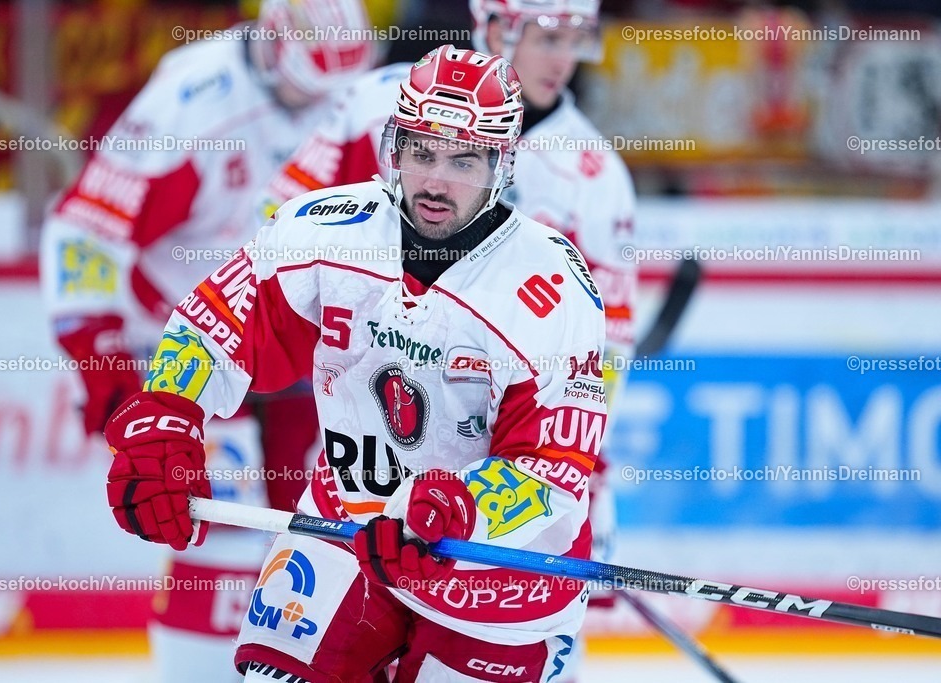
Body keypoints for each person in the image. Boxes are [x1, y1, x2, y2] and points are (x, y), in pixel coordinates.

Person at [104, 45, 609, 682]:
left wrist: (457, 509)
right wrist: (165, 419)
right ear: (392, 148)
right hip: (347, 525)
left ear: (501, 164)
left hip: (496, 576)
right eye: (422, 151)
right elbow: (217, 324)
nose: (435, 181)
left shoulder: (550, 286)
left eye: (464, 159)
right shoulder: (323, 230)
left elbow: (554, 472)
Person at [256, 2, 637, 675]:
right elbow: (280, 223)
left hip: (494, 483)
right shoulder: (379, 101)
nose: (563, 59)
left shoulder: (596, 176)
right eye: (548, 37)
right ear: (494, 28)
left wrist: (579, 476)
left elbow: (602, 350)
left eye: (575, 40)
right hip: (370, 444)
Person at [39, 2, 373, 681]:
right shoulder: (194, 98)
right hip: (181, 340)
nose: (320, 109)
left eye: (334, 95)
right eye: (307, 90)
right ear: (274, 44)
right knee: (210, 520)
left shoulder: (348, 105)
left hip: (284, 342)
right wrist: (103, 361)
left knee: (314, 519)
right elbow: (86, 229)